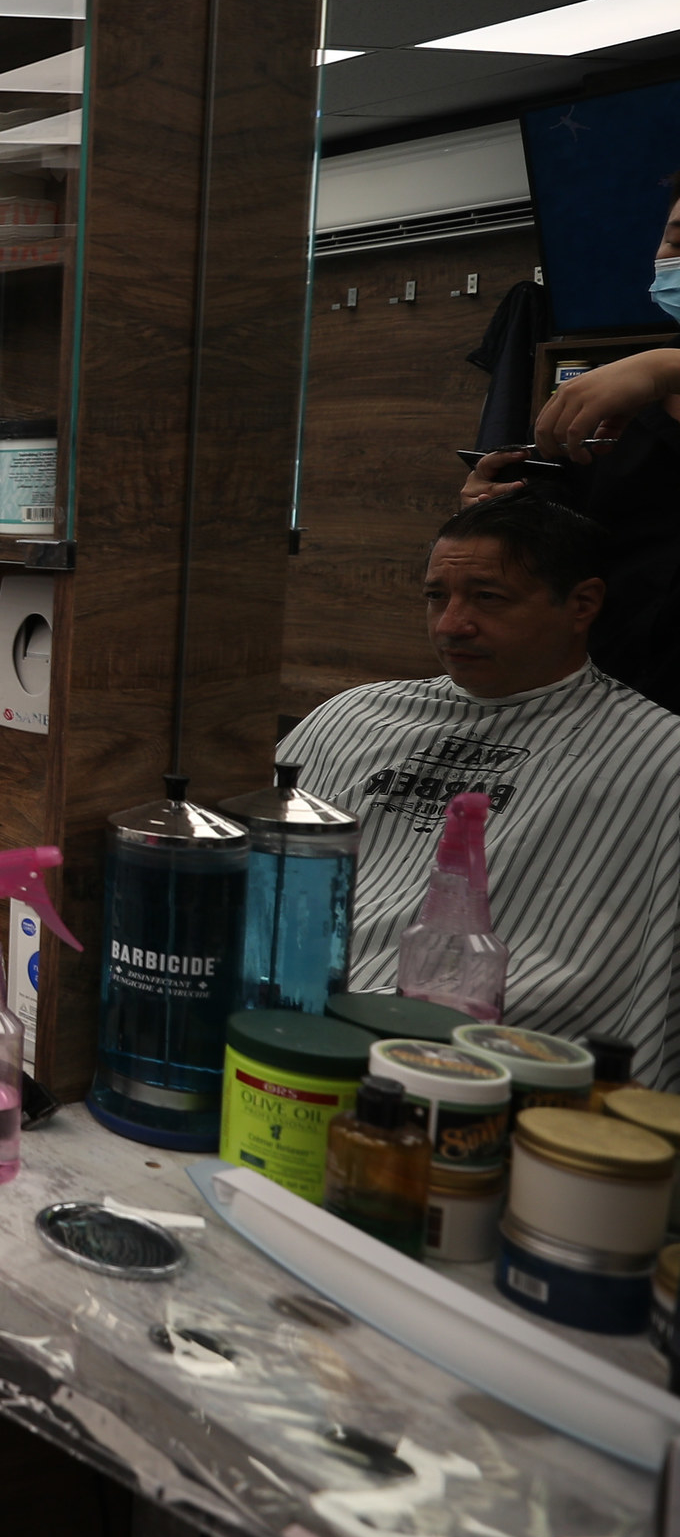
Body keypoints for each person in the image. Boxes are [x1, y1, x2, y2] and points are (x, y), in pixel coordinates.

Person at [279, 492, 680, 1084]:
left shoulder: (659, 754)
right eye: (437, 597)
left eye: (488, 599)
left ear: (583, 603)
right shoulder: (350, 717)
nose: (451, 625)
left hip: (500, 1068)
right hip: (293, 1024)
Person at [460, 180, 680, 714]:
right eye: (677, 239)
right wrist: (503, 513)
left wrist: (667, 365)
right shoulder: (614, 413)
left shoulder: (645, 377)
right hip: (613, 716)